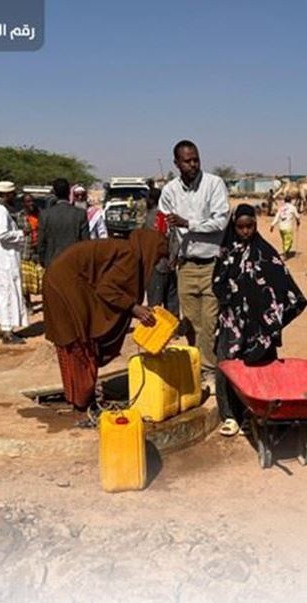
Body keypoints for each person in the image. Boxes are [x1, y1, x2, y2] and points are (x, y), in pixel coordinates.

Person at [42, 228, 167, 416]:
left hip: (63, 279)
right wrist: (134, 308)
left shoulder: (126, 249)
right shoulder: (130, 255)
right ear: (150, 250)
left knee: (79, 340)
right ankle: (82, 402)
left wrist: (134, 309)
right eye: (157, 257)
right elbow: (106, 290)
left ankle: (80, 398)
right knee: (79, 341)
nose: (155, 263)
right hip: (65, 284)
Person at [213, 204, 307, 436]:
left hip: (260, 327)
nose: (245, 231)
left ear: (255, 225)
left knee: (260, 368)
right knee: (228, 367)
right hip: (232, 323)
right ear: (234, 227)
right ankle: (230, 416)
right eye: (241, 227)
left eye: (250, 226)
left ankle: (253, 414)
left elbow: (284, 284)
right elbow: (217, 282)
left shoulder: (265, 252)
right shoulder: (226, 253)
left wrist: (271, 318)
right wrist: (233, 299)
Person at [159, 140, 230, 377]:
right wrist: (170, 253)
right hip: (186, 266)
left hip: (211, 265)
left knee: (209, 323)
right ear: (176, 163)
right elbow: (166, 228)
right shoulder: (169, 191)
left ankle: (208, 371)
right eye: (187, 161)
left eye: (196, 160)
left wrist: (188, 223)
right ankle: (196, 369)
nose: (193, 165)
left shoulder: (214, 184)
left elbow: (220, 222)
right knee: (190, 323)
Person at [0, 181, 29, 345]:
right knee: (10, 292)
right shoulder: (0, 211)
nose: (14, 197)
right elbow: (2, 234)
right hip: (6, 258)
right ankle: (7, 332)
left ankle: (5, 327)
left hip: (5, 257)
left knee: (6, 292)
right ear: (6, 194)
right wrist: (21, 233)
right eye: (12, 194)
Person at [143, 187, 180, 317]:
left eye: (147, 198)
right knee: (172, 301)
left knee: (155, 304)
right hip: (170, 263)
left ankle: (157, 328)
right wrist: (173, 257)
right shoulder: (169, 216)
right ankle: (174, 326)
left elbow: (150, 242)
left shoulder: (152, 217)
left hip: (156, 264)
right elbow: (176, 239)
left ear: (151, 200)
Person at [38, 178, 89, 270]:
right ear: (69, 192)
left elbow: (41, 243)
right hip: (74, 263)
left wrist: (43, 261)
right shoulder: (80, 214)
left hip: (52, 263)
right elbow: (85, 242)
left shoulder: (45, 215)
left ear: (54, 193)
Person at [16, 193, 43, 301]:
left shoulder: (41, 215)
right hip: (26, 250)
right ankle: (27, 303)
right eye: (28, 201)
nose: (31, 203)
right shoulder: (19, 216)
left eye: (32, 201)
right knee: (26, 280)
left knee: (42, 277)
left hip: (39, 250)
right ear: (23, 203)